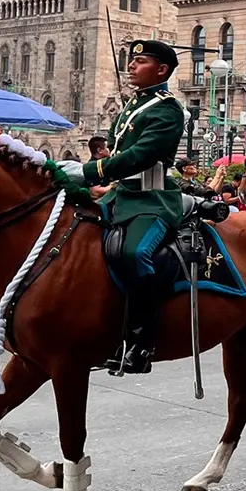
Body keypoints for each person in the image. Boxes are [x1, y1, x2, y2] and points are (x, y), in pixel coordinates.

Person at [56, 39, 186, 374]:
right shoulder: (132, 106)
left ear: (162, 70)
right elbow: (116, 152)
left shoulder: (168, 109)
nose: (131, 65)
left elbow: (139, 156)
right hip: (121, 196)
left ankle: (143, 339)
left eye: (140, 61)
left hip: (153, 198)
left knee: (134, 253)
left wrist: (88, 171)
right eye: (132, 60)